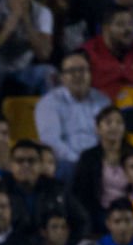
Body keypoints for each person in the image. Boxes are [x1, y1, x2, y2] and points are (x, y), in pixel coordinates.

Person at [35, 50, 111, 181]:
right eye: (71, 71)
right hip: (67, 162)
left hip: (99, 161)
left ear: (90, 74)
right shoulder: (49, 103)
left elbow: (109, 136)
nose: (77, 75)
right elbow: (51, 141)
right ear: (62, 77)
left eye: (82, 70)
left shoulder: (103, 101)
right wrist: (81, 162)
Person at [83, 6, 133, 100]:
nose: (128, 29)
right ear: (105, 28)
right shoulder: (88, 52)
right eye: (120, 24)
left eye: (131, 24)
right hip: (101, 108)